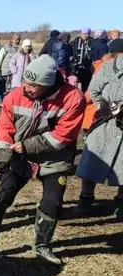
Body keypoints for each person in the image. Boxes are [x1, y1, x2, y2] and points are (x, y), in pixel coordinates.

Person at [0, 55, 85, 265]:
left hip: (55, 157)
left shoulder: (73, 98)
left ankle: (42, 246)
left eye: (33, 85)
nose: (27, 87)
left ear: (48, 84)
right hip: (19, 155)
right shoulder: (13, 96)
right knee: (1, 196)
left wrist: (28, 145)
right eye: (25, 81)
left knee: (53, 202)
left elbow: (63, 136)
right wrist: (4, 158)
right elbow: (4, 129)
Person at [76, 39, 123, 219]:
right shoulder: (107, 69)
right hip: (104, 122)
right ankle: (85, 199)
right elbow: (93, 90)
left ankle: (120, 203)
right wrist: (104, 106)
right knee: (92, 160)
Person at [0, 34, 21, 100]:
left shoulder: (20, 49)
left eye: (18, 40)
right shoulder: (6, 47)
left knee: (11, 88)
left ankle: (7, 101)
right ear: (12, 40)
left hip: (14, 72)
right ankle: (1, 99)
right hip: (5, 71)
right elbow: (0, 58)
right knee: (3, 87)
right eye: (16, 39)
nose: (17, 41)